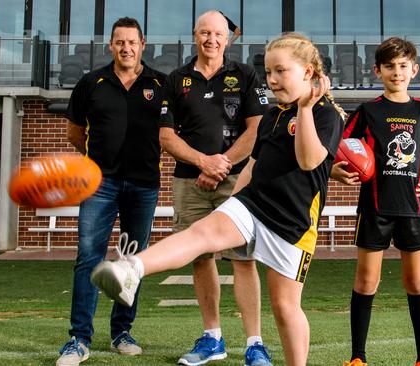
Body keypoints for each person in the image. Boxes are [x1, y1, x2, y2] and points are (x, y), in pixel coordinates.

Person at [90, 32, 346, 366]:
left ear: (308, 73)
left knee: (285, 307)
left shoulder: (326, 113)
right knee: (200, 234)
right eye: (268, 72)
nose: (271, 79)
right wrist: (232, 205)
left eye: (280, 71)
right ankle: (130, 269)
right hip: (254, 204)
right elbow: (253, 167)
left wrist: (307, 109)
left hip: (293, 223)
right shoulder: (272, 116)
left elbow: (309, 161)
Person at [332, 37, 420, 366]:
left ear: (414, 70)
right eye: (389, 66)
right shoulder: (368, 111)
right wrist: (335, 172)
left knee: (416, 281)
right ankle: (357, 357)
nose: (396, 72)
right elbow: (339, 147)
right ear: (377, 71)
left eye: (403, 66)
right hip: (374, 208)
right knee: (365, 281)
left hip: (413, 209)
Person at [157, 10, 270, 366]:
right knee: (201, 258)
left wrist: (219, 165)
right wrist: (202, 162)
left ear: (227, 38)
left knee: (243, 259)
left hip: (237, 181)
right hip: (189, 182)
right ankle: (213, 338)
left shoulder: (245, 75)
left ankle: (254, 343)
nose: (211, 39)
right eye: (204, 33)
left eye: (218, 33)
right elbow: (165, 136)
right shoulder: (176, 80)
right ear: (195, 35)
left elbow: (256, 130)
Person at [56, 17, 167, 366]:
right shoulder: (92, 83)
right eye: (120, 42)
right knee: (89, 258)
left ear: (142, 44)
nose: (126, 48)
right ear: (111, 45)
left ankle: (122, 332)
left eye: (132, 42)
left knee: (132, 262)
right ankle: (79, 339)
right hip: (100, 184)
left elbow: (172, 132)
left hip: (145, 184)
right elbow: (75, 133)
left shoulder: (160, 84)